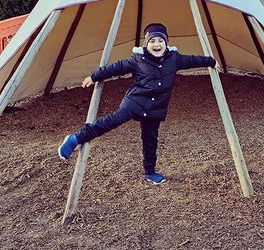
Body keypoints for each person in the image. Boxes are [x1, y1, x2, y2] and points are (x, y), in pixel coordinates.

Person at [58, 23, 222, 184]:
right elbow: (116, 67)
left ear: (166, 43)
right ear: (146, 44)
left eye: (160, 41)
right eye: (152, 41)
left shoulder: (174, 59)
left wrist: (211, 61)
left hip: (155, 108)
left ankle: (150, 172)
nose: (156, 44)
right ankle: (74, 139)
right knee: (110, 122)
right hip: (135, 102)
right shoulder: (138, 59)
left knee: (150, 140)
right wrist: (94, 76)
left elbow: (193, 60)